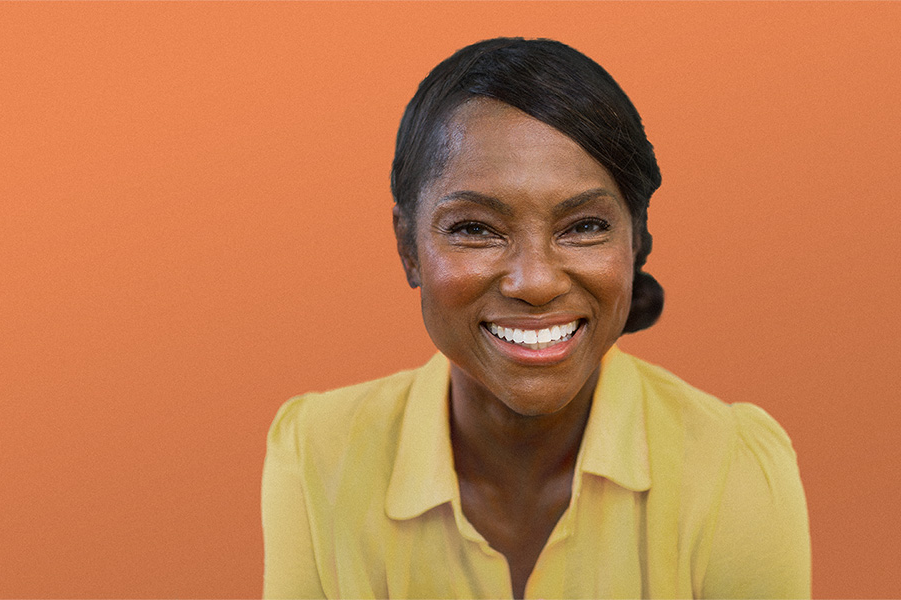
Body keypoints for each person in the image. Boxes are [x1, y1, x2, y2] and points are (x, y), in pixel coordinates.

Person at [261, 37, 810, 599]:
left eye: (584, 226)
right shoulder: (315, 455)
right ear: (408, 247)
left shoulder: (732, 467)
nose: (536, 281)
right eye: (475, 229)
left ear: (637, 240)